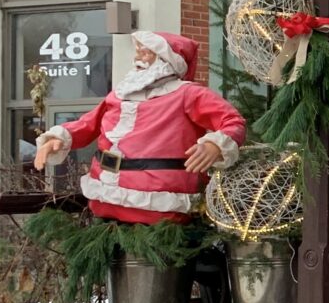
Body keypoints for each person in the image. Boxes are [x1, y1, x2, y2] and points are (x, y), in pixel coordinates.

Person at [32, 31, 245, 225]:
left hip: (156, 206)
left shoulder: (188, 94)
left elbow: (232, 121)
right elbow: (89, 123)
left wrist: (214, 145)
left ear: (166, 60)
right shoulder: (120, 93)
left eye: (146, 53)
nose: (137, 59)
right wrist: (59, 137)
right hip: (104, 200)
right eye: (138, 53)